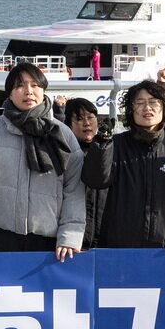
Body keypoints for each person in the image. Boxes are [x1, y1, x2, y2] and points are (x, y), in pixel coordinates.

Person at [0, 61, 85, 259]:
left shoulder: (62, 134)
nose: (28, 91)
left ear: (43, 90)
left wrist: (69, 237)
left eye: (35, 85)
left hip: (48, 241)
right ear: (9, 93)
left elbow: (74, 189)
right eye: (20, 86)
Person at [83, 75, 165, 248]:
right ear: (130, 110)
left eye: (154, 102)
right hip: (119, 250)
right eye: (139, 103)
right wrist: (101, 145)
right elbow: (95, 180)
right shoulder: (115, 145)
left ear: (164, 108)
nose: (147, 108)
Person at [60, 97, 108, 249]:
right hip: (72, 242)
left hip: (105, 237)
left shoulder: (110, 152)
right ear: (68, 125)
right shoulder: (63, 155)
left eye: (90, 118)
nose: (86, 123)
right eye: (79, 119)